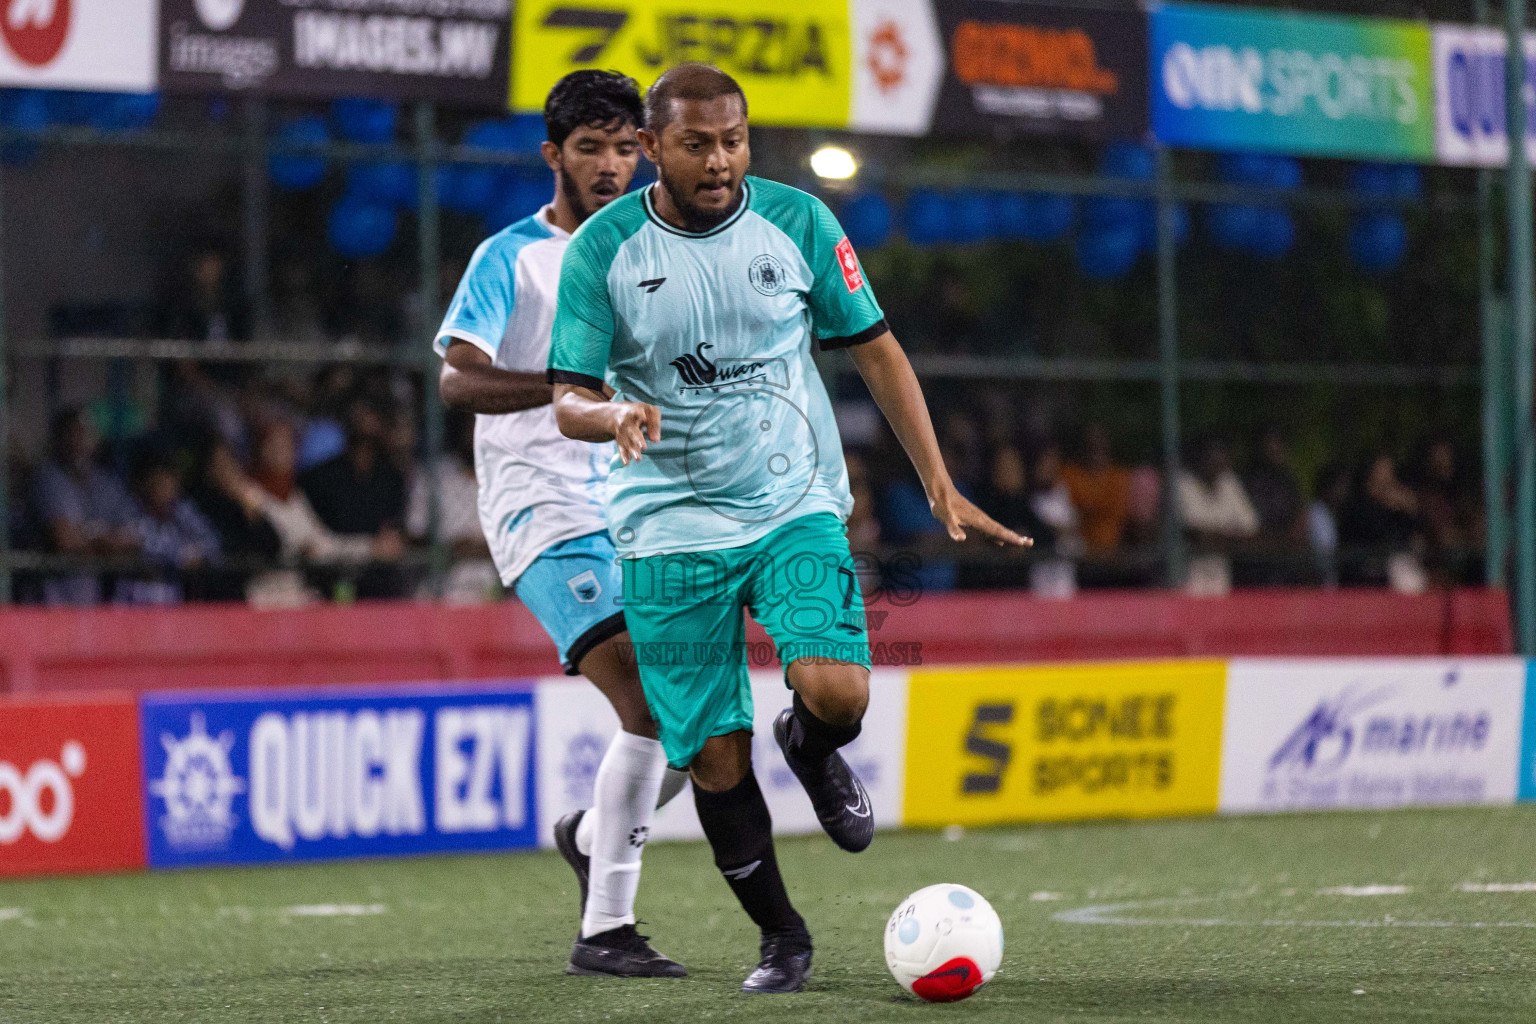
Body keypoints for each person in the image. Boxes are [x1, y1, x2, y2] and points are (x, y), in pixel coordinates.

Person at [547, 63, 1028, 994]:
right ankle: (783, 940)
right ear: (652, 148)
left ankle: (809, 745)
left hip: (791, 505)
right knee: (715, 754)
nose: (720, 160)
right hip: (665, 528)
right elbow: (566, 396)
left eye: (734, 140)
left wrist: (938, 479)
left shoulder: (801, 222)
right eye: (697, 144)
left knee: (840, 690)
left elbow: (876, 347)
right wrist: (609, 417)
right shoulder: (601, 249)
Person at [434, 70, 690, 978]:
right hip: (541, 512)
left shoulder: (650, 255)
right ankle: (605, 931)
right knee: (656, 706)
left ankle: (590, 832)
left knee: (694, 720)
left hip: (635, 510)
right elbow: (458, 379)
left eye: (627, 148)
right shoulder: (511, 255)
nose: (611, 165)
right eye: (591, 148)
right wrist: (562, 386)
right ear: (554, 156)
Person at [32, 408, 140, 605]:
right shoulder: (49, 477)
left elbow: (134, 538)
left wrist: (89, 534)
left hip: (97, 596)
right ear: (59, 439)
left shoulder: (105, 481)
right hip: (53, 597)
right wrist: (106, 538)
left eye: (86, 432)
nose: (80, 441)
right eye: (73, 433)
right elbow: (66, 540)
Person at [1061, 423, 1131, 553]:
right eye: (1091, 446)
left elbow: (1120, 513)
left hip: (1114, 553)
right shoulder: (1070, 474)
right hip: (1078, 553)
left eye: (1100, 445)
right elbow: (1068, 511)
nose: (1096, 450)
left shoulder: (1120, 477)